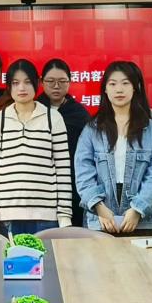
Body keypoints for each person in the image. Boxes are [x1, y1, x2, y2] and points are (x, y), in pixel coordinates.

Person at [73, 61, 152, 235]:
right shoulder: (92, 129)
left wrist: (137, 209)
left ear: (135, 88)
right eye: (113, 84)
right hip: (101, 218)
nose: (119, 89)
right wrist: (99, 207)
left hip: (142, 219)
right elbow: (83, 170)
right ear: (105, 89)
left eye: (125, 83)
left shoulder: (150, 129)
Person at [0, 59, 72, 234]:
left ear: (37, 83)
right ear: (9, 87)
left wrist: (64, 215)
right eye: (15, 83)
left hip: (46, 216)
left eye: (27, 82)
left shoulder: (53, 118)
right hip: (6, 215)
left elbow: (63, 170)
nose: (21, 88)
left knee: (45, 254)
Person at [36, 58, 91, 226]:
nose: (56, 86)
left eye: (62, 81)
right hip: (39, 185)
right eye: (50, 81)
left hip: (71, 185)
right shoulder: (33, 109)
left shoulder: (79, 114)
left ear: (70, 82)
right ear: (41, 82)